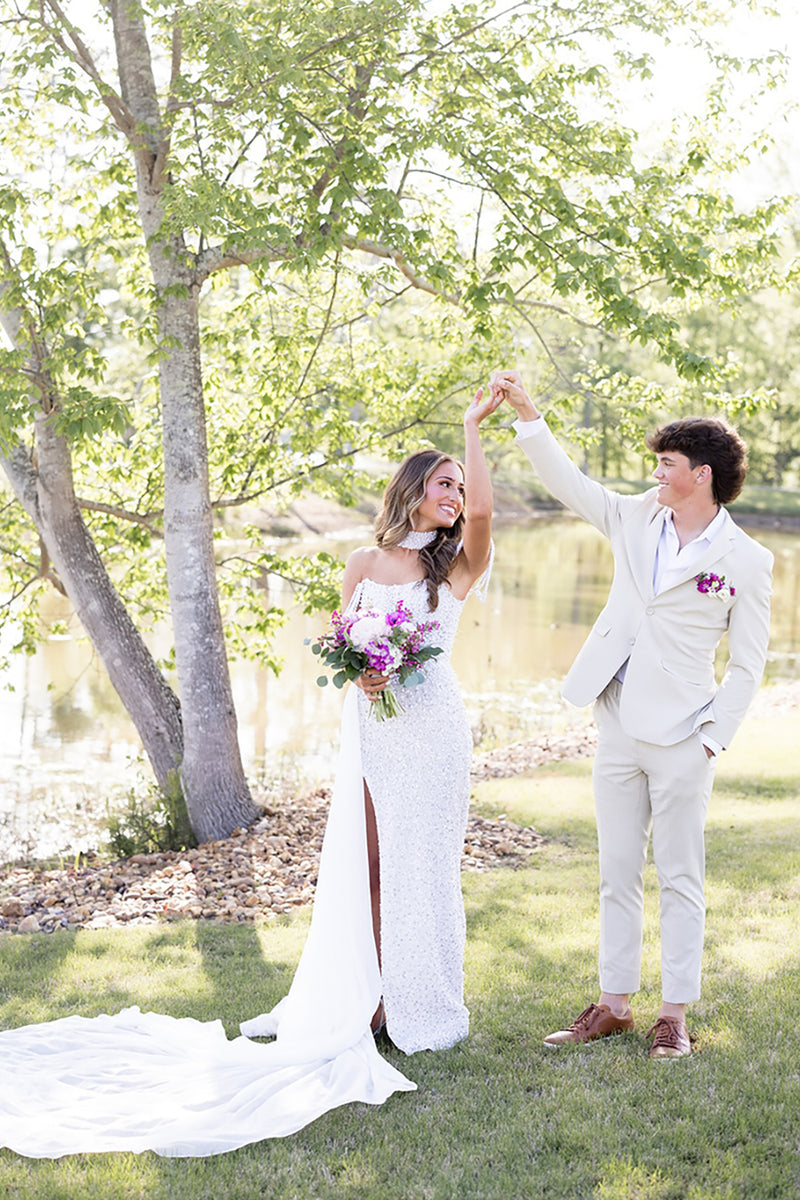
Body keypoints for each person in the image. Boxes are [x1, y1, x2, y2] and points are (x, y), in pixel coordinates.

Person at [0, 388, 500, 1158]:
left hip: (432, 733)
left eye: (460, 487)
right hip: (374, 729)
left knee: (422, 864)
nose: (456, 496)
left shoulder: (455, 568)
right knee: (369, 863)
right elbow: (345, 637)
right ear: (411, 491)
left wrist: (471, 430)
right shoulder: (365, 561)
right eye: (444, 483)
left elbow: (489, 522)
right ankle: (370, 1001)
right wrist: (362, 670)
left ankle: (420, 1002)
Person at [490, 368, 772, 1059]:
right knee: (617, 869)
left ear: (701, 475)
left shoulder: (747, 559)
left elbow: (747, 664)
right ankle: (614, 1005)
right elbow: (571, 483)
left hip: (684, 735)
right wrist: (529, 414)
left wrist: (713, 739)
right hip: (614, 718)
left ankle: (673, 1015)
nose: (655, 473)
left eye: (666, 464)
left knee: (680, 874)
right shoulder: (638, 515)